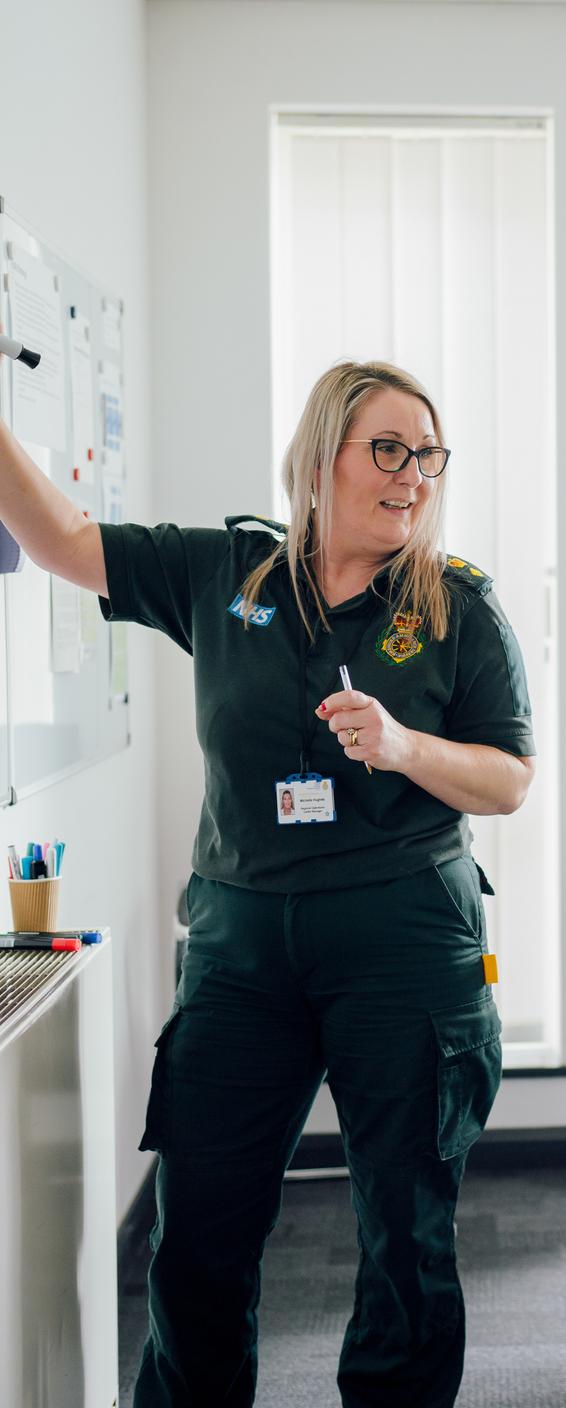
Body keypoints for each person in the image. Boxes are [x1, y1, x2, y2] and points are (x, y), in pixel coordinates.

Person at [0, 360, 536, 1407]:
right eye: (389, 449)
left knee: (405, 1231)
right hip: (242, 947)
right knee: (198, 1227)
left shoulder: (457, 608)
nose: (413, 476)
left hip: (402, 936)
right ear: (321, 453)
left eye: (428, 456)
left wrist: (405, 745)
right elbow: (64, 540)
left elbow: (509, 778)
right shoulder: (227, 572)